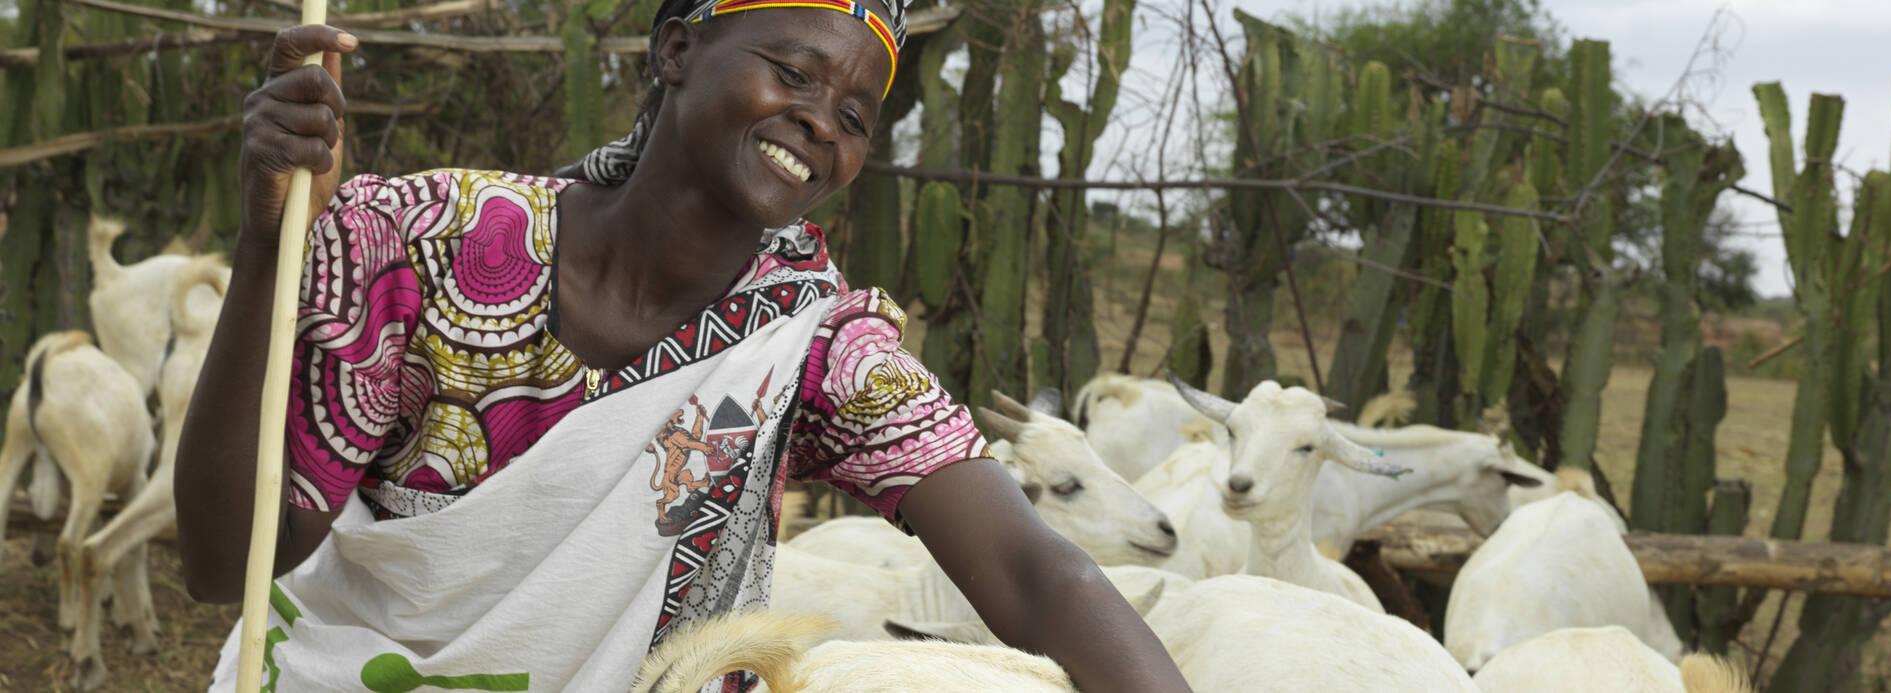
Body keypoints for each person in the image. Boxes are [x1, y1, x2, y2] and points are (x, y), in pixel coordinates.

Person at [174, 0, 1193, 689]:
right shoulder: (421, 240)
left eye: (854, 114)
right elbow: (229, 557)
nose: (818, 125)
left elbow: (1034, 572)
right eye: (791, 72)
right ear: (674, 51)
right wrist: (270, 248)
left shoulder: (820, 350)